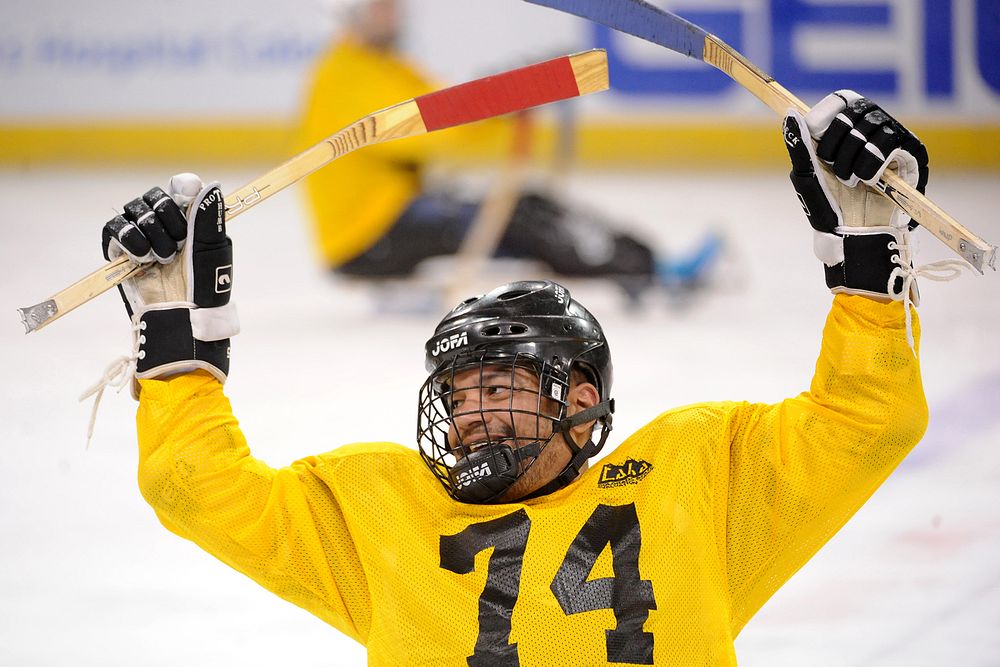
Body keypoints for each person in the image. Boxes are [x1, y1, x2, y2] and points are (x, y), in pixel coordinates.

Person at [97, 90, 930, 664]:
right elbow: (190, 484)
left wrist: (865, 260)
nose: (471, 415)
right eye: (459, 394)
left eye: (500, 387)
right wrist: (179, 343)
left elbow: (868, 419)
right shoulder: (379, 510)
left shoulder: (699, 478)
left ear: (582, 399)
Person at [298, 0, 714, 296]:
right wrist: (499, 103)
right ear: (352, 14)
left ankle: (643, 262)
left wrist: (502, 103)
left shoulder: (382, 64)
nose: (394, 13)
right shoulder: (345, 74)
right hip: (366, 236)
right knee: (519, 216)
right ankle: (642, 269)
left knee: (525, 208)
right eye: (381, 7)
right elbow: (425, 132)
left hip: (390, 215)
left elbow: (443, 109)